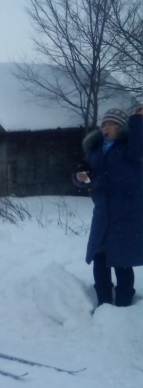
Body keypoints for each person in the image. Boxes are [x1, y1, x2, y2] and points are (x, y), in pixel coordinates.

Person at [73, 106, 143, 308]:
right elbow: (84, 175)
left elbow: (139, 145)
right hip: (102, 213)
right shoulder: (95, 151)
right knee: (100, 258)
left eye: (112, 124)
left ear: (121, 128)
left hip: (127, 213)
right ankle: (103, 303)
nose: (106, 127)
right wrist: (80, 178)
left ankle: (123, 305)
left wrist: (137, 120)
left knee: (122, 261)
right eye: (104, 124)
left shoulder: (130, 148)